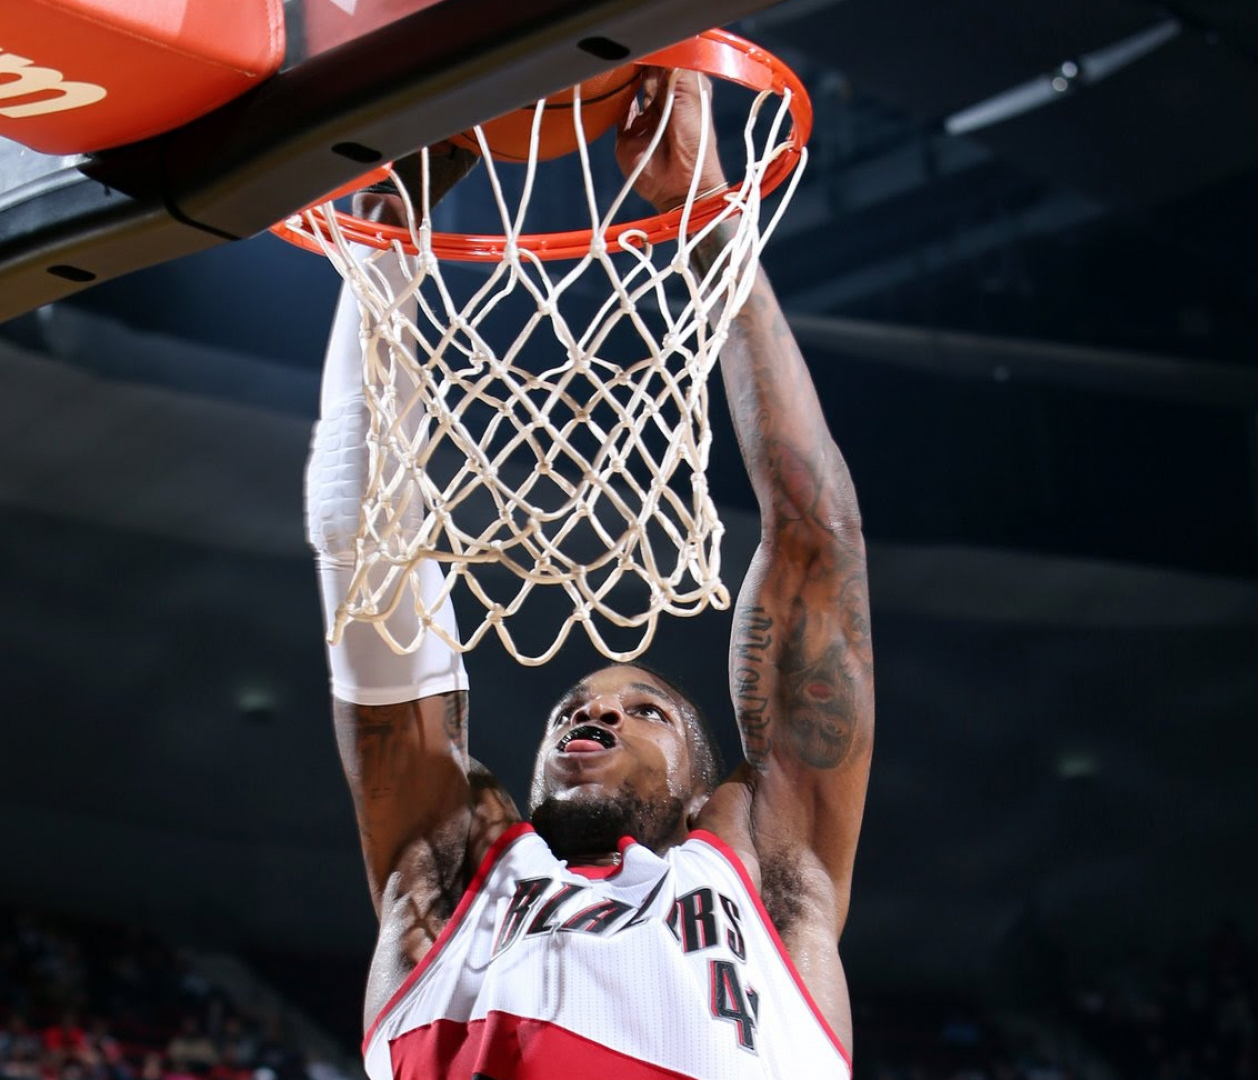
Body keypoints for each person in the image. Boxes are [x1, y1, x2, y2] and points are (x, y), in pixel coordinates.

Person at [305, 68, 872, 1079]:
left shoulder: (764, 883)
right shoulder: (453, 879)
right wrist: (387, 239)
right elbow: (364, 544)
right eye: (579, 707)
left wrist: (710, 209)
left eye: (644, 710)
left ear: (702, 793)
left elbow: (815, 542)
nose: (596, 711)